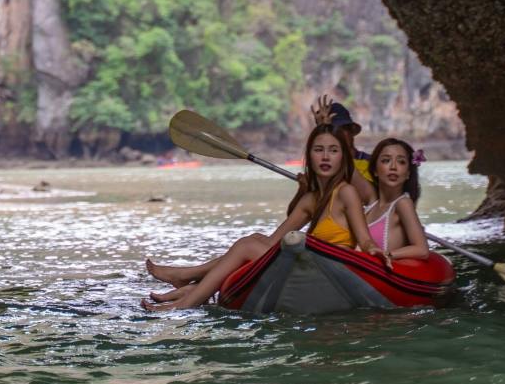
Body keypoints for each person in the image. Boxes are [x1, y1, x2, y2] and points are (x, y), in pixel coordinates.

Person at [143, 124, 378, 311]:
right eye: (319, 150)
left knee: (248, 245)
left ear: (342, 158)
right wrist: (302, 191)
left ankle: (186, 290)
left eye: (333, 150)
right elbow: (274, 242)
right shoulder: (311, 199)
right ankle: (191, 286)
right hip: (308, 269)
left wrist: (375, 250)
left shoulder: (346, 192)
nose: (325, 156)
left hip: (329, 273)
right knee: (255, 239)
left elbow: (364, 240)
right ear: (310, 156)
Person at [359, 138, 430, 269]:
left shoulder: (403, 204)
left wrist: (388, 254)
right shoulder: (370, 205)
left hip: (380, 280)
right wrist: (324, 126)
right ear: (375, 170)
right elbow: (345, 167)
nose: (393, 167)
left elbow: (422, 250)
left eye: (401, 162)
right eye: (386, 160)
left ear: (408, 173)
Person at [310, 95, 376, 203]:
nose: (336, 135)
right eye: (331, 131)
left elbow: (368, 198)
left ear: (351, 131)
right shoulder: (320, 165)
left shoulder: (371, 163)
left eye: (341, 129)